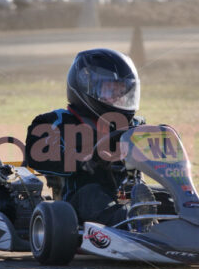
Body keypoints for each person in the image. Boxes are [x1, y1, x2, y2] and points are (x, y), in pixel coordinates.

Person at [25, 48, 156, 227]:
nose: (118, 97)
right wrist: (86, 159)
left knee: (163, 196)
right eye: (110, 90)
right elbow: (38, 158)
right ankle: (129, 222)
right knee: (93, 195)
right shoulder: (56, 122)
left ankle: (191, 219)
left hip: (129, 193)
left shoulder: (136, 126)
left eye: (122, 90)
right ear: (86, 87)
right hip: (74, 204)